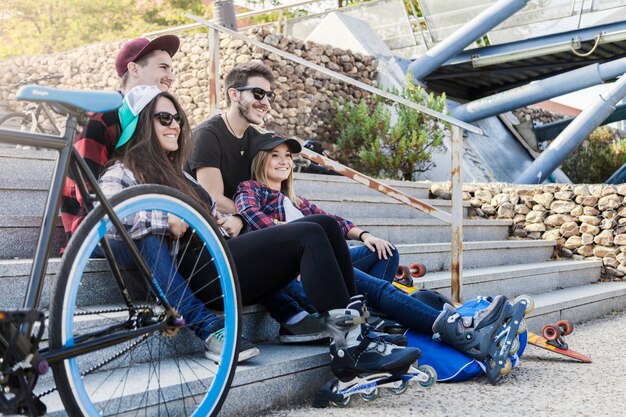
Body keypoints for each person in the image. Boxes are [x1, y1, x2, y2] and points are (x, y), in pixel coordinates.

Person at [99, 84, 421, 385]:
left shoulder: (180, 175)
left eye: (178, 119)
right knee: (307, 234)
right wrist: (166, 218)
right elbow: (107, 221)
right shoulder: (121, 172)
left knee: (322, 225)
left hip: (224, 256)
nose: (176, 126)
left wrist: (232, 219)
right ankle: (352, 348)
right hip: (199, 272)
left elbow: (215, 213)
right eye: (164, 118)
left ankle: (354, 336)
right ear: (141, 125)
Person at [234, 132, 517, 358]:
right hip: (300, 275)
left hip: (323, 265)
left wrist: (365, 235)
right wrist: (292, 245)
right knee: (377, 286)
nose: (284, 161)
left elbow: (331, 220)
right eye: (275, 156)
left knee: (384, 251)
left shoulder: (294, 200)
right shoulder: (250, 189)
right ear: (261, 160)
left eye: (287, 156)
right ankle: (455, 328)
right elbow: (255, 220)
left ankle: (368, 315)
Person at [185, 61, 327, 343]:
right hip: (208, 236)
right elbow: (212, 198)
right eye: (258, 94)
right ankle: (302, 315)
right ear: (234, 94)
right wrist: (245, 215)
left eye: (269, 96)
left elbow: (263, 187)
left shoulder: (253, 137)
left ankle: (314, 314)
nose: (265, 103)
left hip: (240, 227)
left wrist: (245, 216)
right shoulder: (208, 135)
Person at [61, 34, 179, 245]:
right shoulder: (100, 118)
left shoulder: (157, 119)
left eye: (171, 69)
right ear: (134, 69)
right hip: (95, 229)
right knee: (149, 239)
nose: (171, 76)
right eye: (163, 68)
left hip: (147, 219)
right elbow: (88, 195)